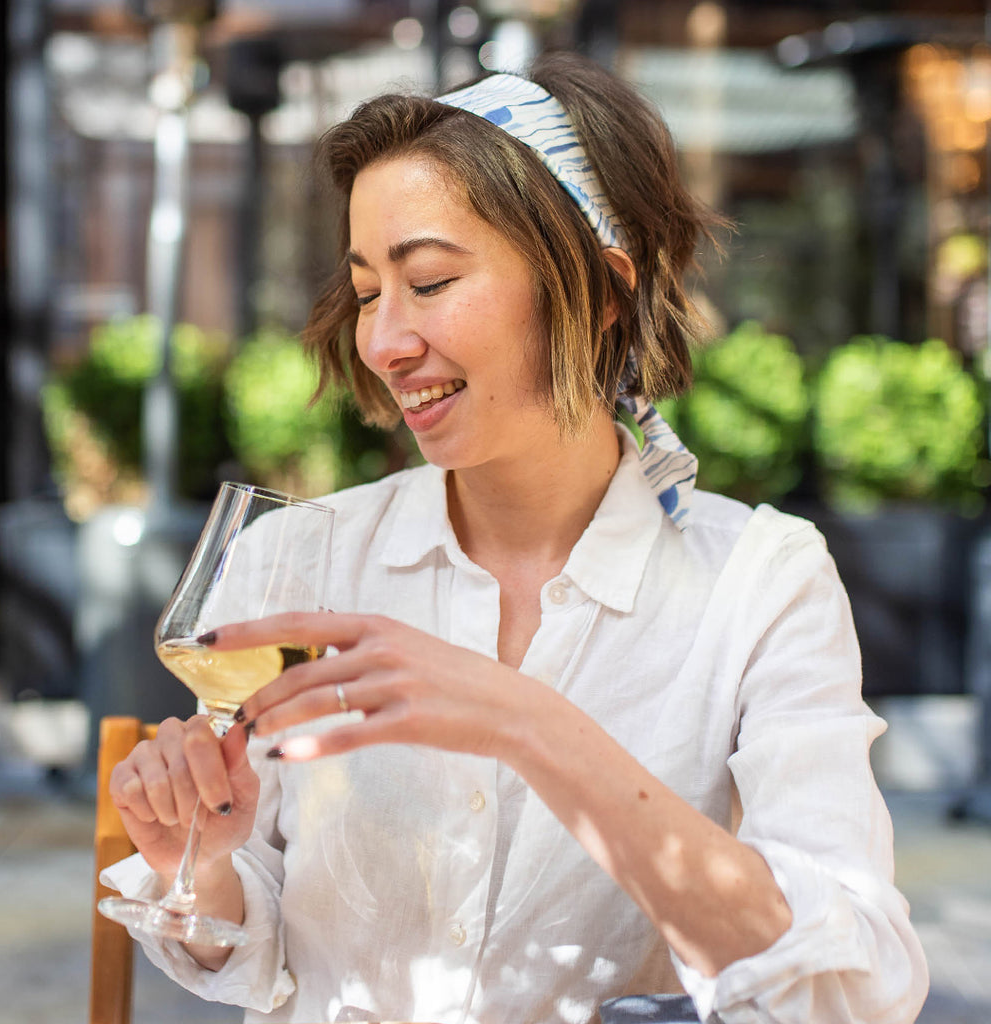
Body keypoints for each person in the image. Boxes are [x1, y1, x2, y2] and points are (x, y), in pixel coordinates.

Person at [103, 51, 929, 1024]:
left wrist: (524, 723)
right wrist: (197, 863)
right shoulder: (300, 558)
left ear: (604, 286)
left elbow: (853, 986)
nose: (383, 340)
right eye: (369, 292)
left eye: (432, 280)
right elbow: (252, 945)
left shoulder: (760, 584)